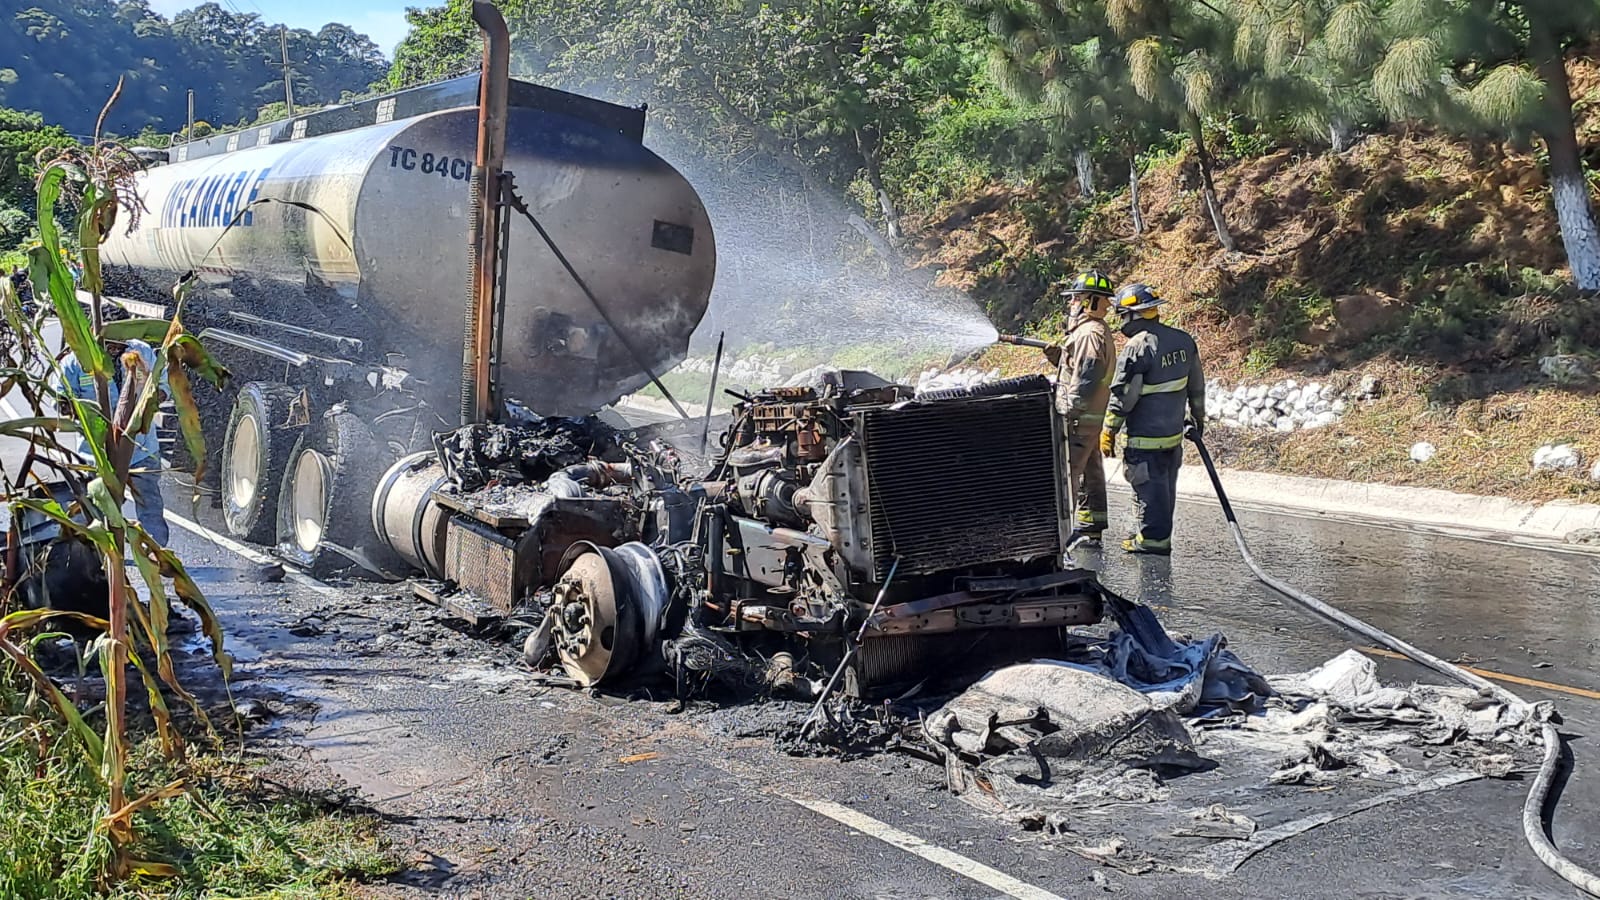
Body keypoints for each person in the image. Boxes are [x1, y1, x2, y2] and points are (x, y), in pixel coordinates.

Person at [1100, 283, 1204, 555]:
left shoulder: (1138, 347)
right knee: (1165, 492)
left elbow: (1126, 395)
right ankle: (1160, 537)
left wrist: (1109, 429)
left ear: (1134, 314)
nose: (1121, 321)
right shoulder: (1183, 340)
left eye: (1123, 315)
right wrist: (1198, 419)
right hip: (1173, 439)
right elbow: (1197, 387)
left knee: (1147, 493)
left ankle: (1150, 545)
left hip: (1144, 442)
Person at [56, 338, 170, 546]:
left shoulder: (141, 352)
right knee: (97, 505)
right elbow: (62, 400)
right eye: (109, 345)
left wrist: (149, 403)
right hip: (97, 453)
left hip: (140, 449)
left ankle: (157, 551)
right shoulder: (75, 362)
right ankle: (102, 551)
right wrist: (75, 409)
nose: (114, 350)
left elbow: (162, 382)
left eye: (119, 346)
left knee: (149, 502)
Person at [1042, 270, 1116, 541]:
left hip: (1079, 419)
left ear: (1092, 301)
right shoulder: (1094, 331)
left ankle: (1059, 539)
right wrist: (1059, 358)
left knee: (1067, 474)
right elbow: (1079, 370)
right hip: (1090, 418)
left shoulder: (1088, 334)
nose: (1071, 303)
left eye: (1075, 298)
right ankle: (1091, 527)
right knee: (1091, 470)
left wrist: (1068, 413)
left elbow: (1087, 377)